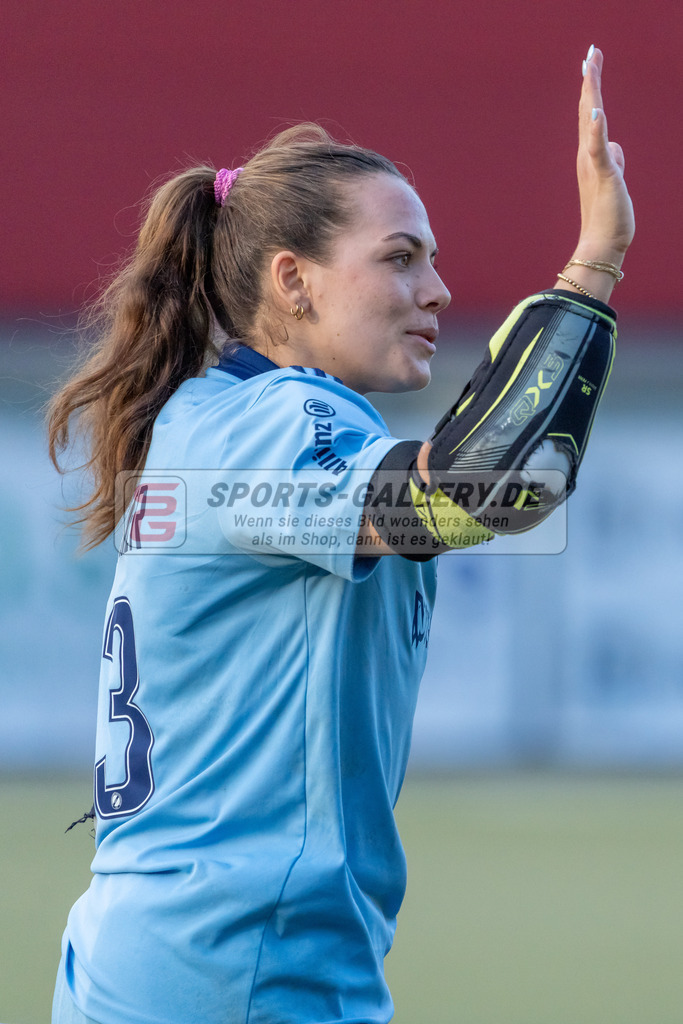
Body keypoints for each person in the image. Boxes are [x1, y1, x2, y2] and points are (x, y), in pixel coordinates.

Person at [48, 45, 633, 1024]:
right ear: (293, 280)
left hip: (190, 959)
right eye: (399, 258)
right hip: (237, 966)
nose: (436, 290)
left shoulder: (221, 418)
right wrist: (593, 265)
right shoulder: (273, 420)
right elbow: (476, 489)